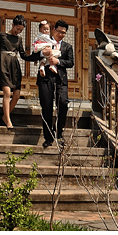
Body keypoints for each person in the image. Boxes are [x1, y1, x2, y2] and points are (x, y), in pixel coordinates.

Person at [0, 15, 33, 129]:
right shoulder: (2, 35)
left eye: (21, 30)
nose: (18, 32)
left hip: (15, 66)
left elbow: (23, 54)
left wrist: (35, 56)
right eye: (17, 29)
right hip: (4, 64)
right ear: (12, 25)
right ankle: (8, 120)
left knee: (16, 95)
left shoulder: (19, 39)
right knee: (7, 92)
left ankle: (4, 117)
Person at [37, 19, 74, 149]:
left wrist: (58, 62)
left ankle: (58, 133)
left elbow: (71, 62)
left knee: (63, 103)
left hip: (60, 79)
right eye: (59, 31)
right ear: (53, 30)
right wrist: (42, 53)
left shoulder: (67, 47)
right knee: (46, 107)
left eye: (63, 32)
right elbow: (35, 54)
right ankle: (48, 137)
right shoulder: (44, 42)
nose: (61, 34)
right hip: (45, 78)